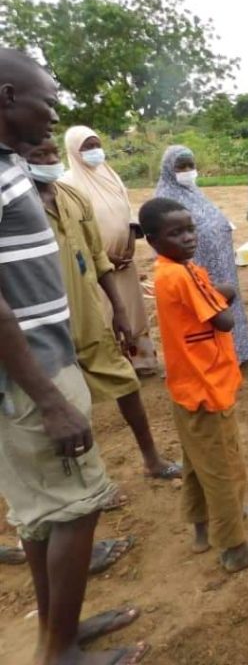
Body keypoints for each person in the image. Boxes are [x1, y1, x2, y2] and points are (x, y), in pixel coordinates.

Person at [0, 49, 147, 665]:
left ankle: (60, 630)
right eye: (46, 101)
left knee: (42, 517)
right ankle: (59, 651)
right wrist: (51, 398)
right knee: (78, 508)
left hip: (36, 366)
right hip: (32, 374)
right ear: (7, 96)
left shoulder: (10, 166)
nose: (54, 117)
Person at [22, 139, 180, 482]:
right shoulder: (18, 208)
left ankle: (151, 459)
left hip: (90, 317)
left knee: (126, 384)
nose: (49, 160)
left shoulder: (73, 198)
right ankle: (89, 483)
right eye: (39, 155)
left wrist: (119, 311)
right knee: (68, 406)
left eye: (51, 154)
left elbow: (97, 258)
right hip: (44, 329)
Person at [140, 196, 248, 573]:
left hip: (187, 385)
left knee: (198, 462)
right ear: (152, 240)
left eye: (189, 229)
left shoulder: (169, 270)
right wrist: (225, 295)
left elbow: (211, 300)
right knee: (223, 467)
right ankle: (235, 547)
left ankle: (202, 528)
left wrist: (218, 294)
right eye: (175, 233)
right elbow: (224, 321)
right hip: (206, 387)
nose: (187, 238)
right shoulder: (181, 275)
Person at [64, 126, 159, 376]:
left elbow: (126, 213)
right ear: (74, 151)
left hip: (125, 263)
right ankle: (116, 368)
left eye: (97, 145)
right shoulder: (67, 185)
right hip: (96, 266)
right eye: (87, 147)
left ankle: (141, 362)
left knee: (132, 309)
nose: (95, 151)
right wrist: (102, 256)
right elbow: (71, 231)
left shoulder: (111, 175)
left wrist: (129, 240)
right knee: (105, 314)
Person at [155, 145, 248, 364]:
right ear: (168, 169)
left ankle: (239, 349)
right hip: (198, 265)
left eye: (190, 165)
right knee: (210, 310)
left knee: (228, 304)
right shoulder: (165, 199)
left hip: (221, 262)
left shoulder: (193, 191)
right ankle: (222, 357)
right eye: (181, 166)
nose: (187, 171)